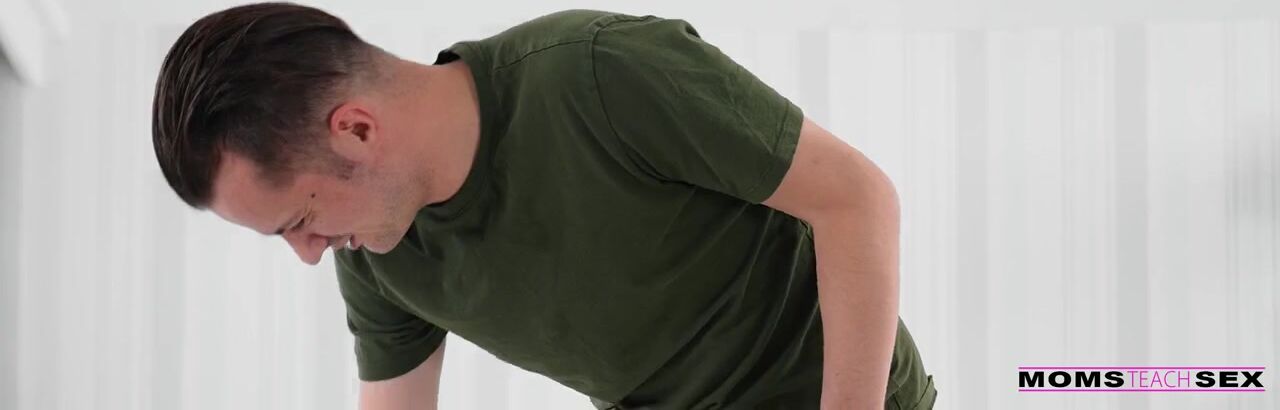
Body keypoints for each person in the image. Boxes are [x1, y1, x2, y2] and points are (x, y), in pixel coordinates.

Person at [151, 2, 937, 409]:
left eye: (298, 221)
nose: (309, 253)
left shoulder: (600, 74)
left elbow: (857, 198)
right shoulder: (379, 253)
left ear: (355, 130)